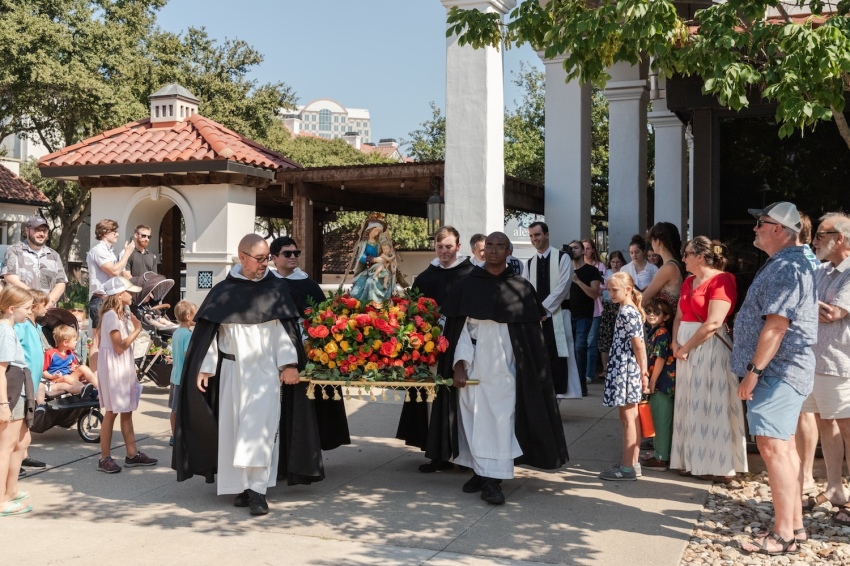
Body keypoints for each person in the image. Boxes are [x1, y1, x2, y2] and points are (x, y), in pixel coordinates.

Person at [173, 234, 325, 517]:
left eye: (267, 257)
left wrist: (289, 364)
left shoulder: (276, 289)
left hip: (265, 372)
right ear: (242, 257)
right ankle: (241, 487)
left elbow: (284, 332)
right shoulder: (223, 292)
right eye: (259, 258)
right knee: (232, 432)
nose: (264, 263)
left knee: (259, 431)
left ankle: (257, 490)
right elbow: (213, 334)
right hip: (231, 371)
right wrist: (205, 367)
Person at [425, 232, 568, 505]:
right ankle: (480, 470)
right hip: (474, 361)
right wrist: (458, 365)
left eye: (499, 246)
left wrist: (526, 373)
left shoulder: (521, 289)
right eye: (489, 245)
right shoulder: (466, 286)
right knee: (472, 417)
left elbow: (530, 338)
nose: (492, 250)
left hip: (506, 365)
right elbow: (459, 329)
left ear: (508, 251)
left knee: (500, 419)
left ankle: (493, 480)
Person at [733, 202, 817, 556]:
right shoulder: (792, 262)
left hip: (777, 370)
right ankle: (793, 525)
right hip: (783, 370)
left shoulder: (787, 267)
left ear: (779, 230)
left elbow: (777, 325)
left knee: (773, 449)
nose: (754, 229)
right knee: (783, 448)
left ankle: (783, 535)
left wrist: (753, 373)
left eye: (761, 223)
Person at [397, 226, 474, 472]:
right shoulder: (425, 277)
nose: (443, 251)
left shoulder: (470, 275)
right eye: (439, 247)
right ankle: (438, 453)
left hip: (460, 345)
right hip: (429, 348)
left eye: (448, 247)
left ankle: (465, 454)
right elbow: (413, 309)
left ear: (458, 247)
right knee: (433, 398)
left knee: (461, 400)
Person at [671, 237, 747, 482]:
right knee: (690, 403)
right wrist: (675, 343)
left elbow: (714, 322)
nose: (683, 259)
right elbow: (679, 316)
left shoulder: (723, 280)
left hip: (709, 347)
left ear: (700, 257)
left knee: (711, 402)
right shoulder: (689, 281)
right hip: (685, 347)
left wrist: (687, 348)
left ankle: (719, 465)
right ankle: (692, 460)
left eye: (687, 254)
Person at [270, 236, 349, 453]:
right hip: (273, 348)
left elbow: (324, 316)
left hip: (307, 348)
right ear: (274, 258)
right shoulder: (267, 284)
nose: (294, 257)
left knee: (307, 398)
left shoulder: (309, 284)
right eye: (288, 254)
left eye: (296, 253)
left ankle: (306, 448)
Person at [798, 213, 850, 523]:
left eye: (821, 234)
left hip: (840, 363)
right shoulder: (821, 270)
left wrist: (801, 300)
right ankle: (834, 488)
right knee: (823, 423)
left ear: (840, 238)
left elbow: (832, 313)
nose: (815, 240)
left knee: (846, 427)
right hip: (814, 361)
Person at [96, 276, 157, 474]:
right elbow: (120, 346)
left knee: (127, 409)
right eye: (129, 292)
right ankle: (104, 457)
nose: (132, 295)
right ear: (120, 294)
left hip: (121, 366)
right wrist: (138, 330)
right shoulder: (111, 316)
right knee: (112, 411)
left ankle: (131, 453)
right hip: (115, 366)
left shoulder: (120, 314)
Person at [599, 272, 648, 481]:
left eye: (614, 290)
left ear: (627, 289)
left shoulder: (628, 311)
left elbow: (639, 345)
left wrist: (643, 371)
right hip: (625, 366)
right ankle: (632, 463)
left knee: (628, 419)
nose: (611, 294)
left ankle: (627, 467)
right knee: (631, 417)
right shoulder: (628, 309)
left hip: (626, 368)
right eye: (609, 290)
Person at [522, 222, 579, 398]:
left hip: (559, 314)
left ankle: (559, 396)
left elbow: (563, 287)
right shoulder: (529, 263)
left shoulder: (563, 258)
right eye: (531, 236)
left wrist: (543, 310)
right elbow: (525, 290)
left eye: (537, 235)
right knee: (539, 356)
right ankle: (543, 397)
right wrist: (534, 311)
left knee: (560, 355)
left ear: (547, 235)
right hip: (537, 319)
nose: (534, 239)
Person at [0, 285, 35, 515]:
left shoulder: (10, 329)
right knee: (6, 447)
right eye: (27, 308)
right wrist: (3, 404)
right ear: (12, 309)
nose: (30, 312)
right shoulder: (4, 331)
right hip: (11, 394)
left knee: (22, 442)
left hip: (20, 389)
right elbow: (1, 370)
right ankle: (1, 500)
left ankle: (10, 490)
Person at [13, 290, 49, 469]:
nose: (48, 306)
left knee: (26, 419)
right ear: (34, 306)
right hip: (22, 379)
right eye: (45, 303)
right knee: (18, 421)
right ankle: (14, 460)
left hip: (32, 381)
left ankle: (23, 455)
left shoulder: (36, 326)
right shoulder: (22, 325)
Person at [641, 297, 677, 472]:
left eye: (657, 312)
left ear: (666, 316)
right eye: (648, 311)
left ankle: (661, 458)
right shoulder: (657, 331)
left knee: (661, 420)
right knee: (660, 419)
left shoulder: (661, 333)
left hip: (662, 383)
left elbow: (660, 357)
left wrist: (652, 381)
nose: (651, 315)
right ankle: (660, 453)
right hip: (663, 382)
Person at [1, 216, 68, 308]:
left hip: (47, 311)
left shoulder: (54, 255)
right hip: (22, 310)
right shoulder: (14, 251)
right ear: (27, 230)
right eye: (37, 230)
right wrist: (36, 298)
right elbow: (11, 279)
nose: (41, 233)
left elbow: (61, 283)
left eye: (44, 230)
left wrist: (48, 301)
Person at [567, 240, 603, 397]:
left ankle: (581, 384)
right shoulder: (565, 270)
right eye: (570, 248)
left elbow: (594, 294)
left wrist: (577, 281)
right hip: (567, 314)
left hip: (584, 315)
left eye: (576, 248)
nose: (572, 250)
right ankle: (572, 384)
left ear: (583, 251)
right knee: (569, 350)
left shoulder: (591, 271)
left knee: (580, 348)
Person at [86, 219, 134, 328]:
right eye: (114, 232)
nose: (117, 234)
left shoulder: (110, 252)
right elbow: (114, 271)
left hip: (111, 299)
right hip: (101, 300)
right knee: (99, 339)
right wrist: (127, 253)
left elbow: (118, 274)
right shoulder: (98, 250)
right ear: (105, 232)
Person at [41, 325, 98, 402]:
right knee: (66, 377)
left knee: (83, 367)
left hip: (70, 378)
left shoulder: (70, 353)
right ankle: (84, 389)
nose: (76, 342)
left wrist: (74, 368)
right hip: (56, 380)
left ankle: (98, 388)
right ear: (65, 342)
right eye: (74, 340)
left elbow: (74, 366)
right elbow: (43, 371)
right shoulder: (50, 354)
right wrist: (52, 376)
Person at [168, 300, 197, 448]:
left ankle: (174, 435)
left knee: (174, 409)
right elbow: (187, 355)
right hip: (183, 378)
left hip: (174, 376)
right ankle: (181, 436)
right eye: (195, 315)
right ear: (188, 316)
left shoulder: (177, 333)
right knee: (182, 410)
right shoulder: (188, 335)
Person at [348, 217, 394, 305]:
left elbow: (388, 253)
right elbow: (361, 257)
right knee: (355, 292)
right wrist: (374, 259)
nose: (377, 234)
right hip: (368, 269)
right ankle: (360, 306)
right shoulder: (363, 243)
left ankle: (376, 304)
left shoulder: (379, 243)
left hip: (380, 268)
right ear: (370, 230)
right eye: (375, 231)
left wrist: (387, 260)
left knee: (371, 282)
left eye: (379, 232)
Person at [642, 222, 686, 309]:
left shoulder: (668, 267)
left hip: (668, 320)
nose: (652, 244)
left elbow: (643, 299)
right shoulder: (674, 264)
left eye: (652, 241)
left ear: (658, 241)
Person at [582, 238, 606, 380]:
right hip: (579, 307)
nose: (586, 251)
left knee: (591, 342)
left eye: (588, 248)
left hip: (595, 308)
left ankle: (589, 374)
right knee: (580, 343)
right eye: (583, 248)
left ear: (593, 250)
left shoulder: (599, 266)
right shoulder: (575, 266)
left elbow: (602, 286)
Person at [600, 251, 626, 375]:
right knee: (606, 336)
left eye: (618, 261)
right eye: (613, 262)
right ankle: (605, 368)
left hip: (620, 305)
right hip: (607, 305)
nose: (615, 264)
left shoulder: (624, 274)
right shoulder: (606, 273)